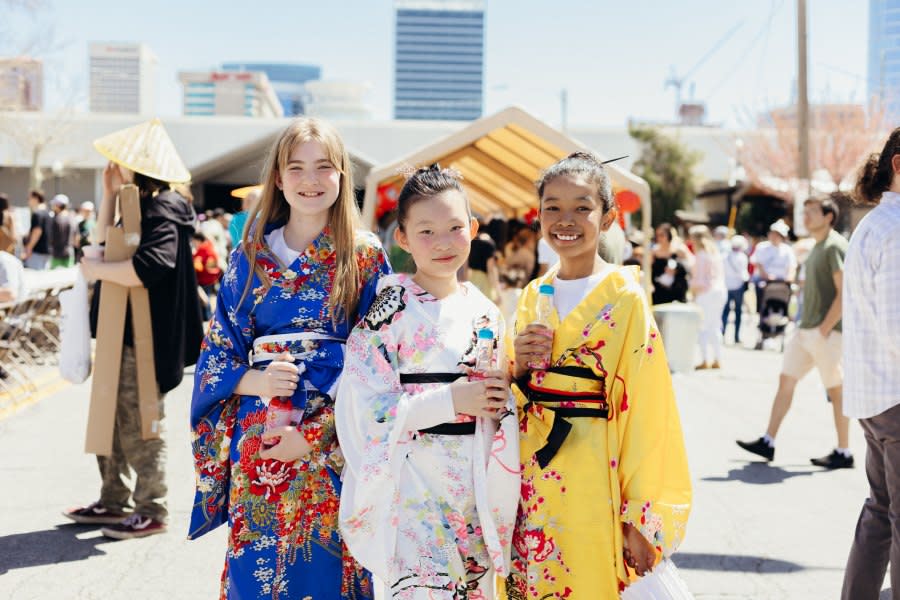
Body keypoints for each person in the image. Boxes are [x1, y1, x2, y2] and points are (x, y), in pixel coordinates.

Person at [189, 117, 389, 599]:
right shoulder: (250, 254)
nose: (311, 180)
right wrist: (251, 381)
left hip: (331, 434)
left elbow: (378, 361)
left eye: (325, 167)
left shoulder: (363, 255)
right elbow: (218, 349)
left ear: (343, 176)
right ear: (277, 178)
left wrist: (316, 437)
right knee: (255, 566)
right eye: (296, 168)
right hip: (260, 428)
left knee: (327, 567)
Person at [507, 152, 692, 597]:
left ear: (608, 218)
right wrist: (515, 364)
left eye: (582, 207)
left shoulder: (624, 296)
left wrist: (640, 515)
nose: (565, 219)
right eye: (552, 206)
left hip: (597, 475)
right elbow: (515, 389)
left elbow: (647, 407)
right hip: (532, 476)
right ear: (538, 215)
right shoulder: (534, 295)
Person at [336, 165, 519, 598]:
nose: (442, 243)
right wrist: (452, 399)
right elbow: (365, 406)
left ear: (473, 229)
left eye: (455, 228)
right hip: (412, 487)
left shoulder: (487, 314)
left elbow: (501, 405)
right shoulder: (390, 310)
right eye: (426, 232)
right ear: (401, 238)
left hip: (474, 488)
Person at [64, 118, 204, 539]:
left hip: (144, 339)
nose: (114, 167)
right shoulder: (138, 204)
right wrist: (108, 194)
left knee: (139, 421)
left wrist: (99, 270)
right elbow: (104, 240)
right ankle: (112, 499)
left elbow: (150, 266)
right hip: (118, 332)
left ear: (138, 166)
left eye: (119, 163)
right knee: (108, 419)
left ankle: (151, 507)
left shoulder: (164, 207)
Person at [737, 196, 852, 469]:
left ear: (829, 217)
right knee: (786, 379)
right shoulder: (816, 247)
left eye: (812, 211)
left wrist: (824, 328)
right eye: (805, 211)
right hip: (806, 331)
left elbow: (844, 292)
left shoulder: (834, 246)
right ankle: (768, 440)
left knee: (837, 391)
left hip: (827, 333)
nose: (806, 216)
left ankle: (844, 451)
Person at [840, 129, 900, 600]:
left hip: (874, 395)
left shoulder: (875, 223)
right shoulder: (896, 229)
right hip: (895, 396)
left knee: (880, 511)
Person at [689, 225, 727, 369]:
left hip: (706, 293)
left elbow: (699, 279)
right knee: (715, 326)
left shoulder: (701, 255)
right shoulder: (715, 253)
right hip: (720, 292)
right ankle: (717, 358)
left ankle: (705, 359)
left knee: (703, 327)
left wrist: (692, 289)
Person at [750, 219, 797, 313]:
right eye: (772, 233)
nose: (774, 236)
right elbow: (758, 264)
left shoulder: (787, 249)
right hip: (765, 281)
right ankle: (760, 311)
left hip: (783, 283)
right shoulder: (762, 247)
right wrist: (767, 276)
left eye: (777, 234)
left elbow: (792, 266)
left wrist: (789, 277)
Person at [650, 222, 691, 305]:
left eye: (662, 235)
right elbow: (649, 270)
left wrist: (676, 270)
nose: (659, 238)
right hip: (659, 293)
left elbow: (689, 267)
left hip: (676, 292)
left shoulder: (679, 250)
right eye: (657, 235)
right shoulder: (653, 252)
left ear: (669, 235)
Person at [721, 235, 750, 344]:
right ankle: (736, 337)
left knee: (725, 311)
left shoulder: (724, 256)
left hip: (726, 286)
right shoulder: (742, 257)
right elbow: (744, 274)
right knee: (738, 312)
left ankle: (722, 334)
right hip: (738, 287)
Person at [467, 219, 501, 304]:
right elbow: (491, 270)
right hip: (484, 281)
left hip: (471, 278)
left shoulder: (471, 242)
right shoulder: (489, 243)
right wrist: (498, 292)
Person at [191, 230, 221, 321]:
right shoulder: (209, 247)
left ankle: (208, 317)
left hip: (205, 279)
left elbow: (199, 266)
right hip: (209, 278)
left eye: (194, 241)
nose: (193, 244)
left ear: (198, 240)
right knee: (207, 297)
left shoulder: (204, 250)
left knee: (205, 299)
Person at [22, 189, 52, 269]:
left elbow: (37, 231)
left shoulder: (37, 213)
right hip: (47, 251)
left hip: (37, 252)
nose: (28, 201)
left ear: (35, 198)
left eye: (29, 198)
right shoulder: (48, 212)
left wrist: (28, 248)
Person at [48, 194, 75, 269]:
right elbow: (76, 238)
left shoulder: (55, 219)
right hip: (69, 252)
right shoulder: (72, 217)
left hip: (56, 253)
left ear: (58, 205)